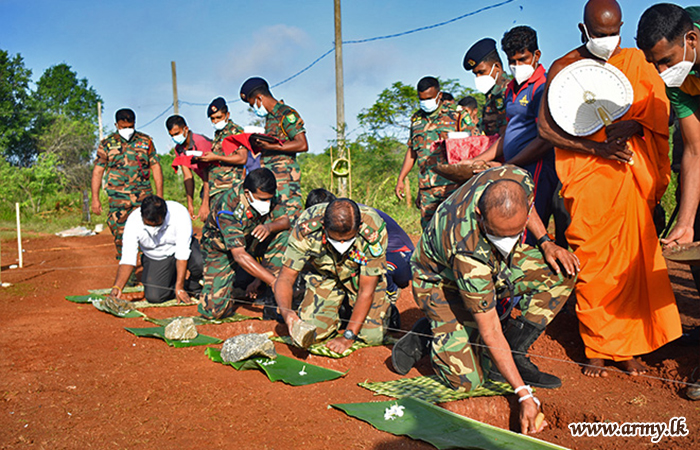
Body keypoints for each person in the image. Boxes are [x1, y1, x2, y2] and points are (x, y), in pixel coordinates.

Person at [538, 0, 681, 378]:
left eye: (614, 32)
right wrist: (596, 148)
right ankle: (598, 347)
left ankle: (629, 348)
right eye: (600, 35)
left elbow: (660, 112)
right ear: (583, 30)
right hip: (588, 183)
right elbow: (545, 130)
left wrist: (636, 125)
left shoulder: (637, 61)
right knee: (595, 265)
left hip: (628, 178)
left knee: (631, 264)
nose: (609, 41)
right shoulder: (564, 67)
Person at [394, 165, 578, 434]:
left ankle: (511, 354)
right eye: (498, 234)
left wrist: (546, 241)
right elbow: (490, 329)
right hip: (440, 283)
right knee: (467, 381)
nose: (507, 242)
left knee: (562, 271)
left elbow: (528, 206)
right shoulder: (466, 248)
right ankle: (427, 334)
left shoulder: (518, 178)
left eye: (513, 234)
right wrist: (524, 395)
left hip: (489, 262)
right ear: (480, 214)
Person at [637, 3, 700, 400]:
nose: (661, 73)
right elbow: (694, 150)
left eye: (666, 61)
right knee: (691, 241)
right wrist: (688, 220)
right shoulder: (676, 79)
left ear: (691, 39)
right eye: (653, 64)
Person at [470, 26, 563, 247]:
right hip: (518, 168)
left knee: (529, 229)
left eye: (523, 59)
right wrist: (479, 160)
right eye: (512, 61)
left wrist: (509, 164)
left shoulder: (543, 87)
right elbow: (508, 134)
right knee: (514, 227)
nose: (517, 66)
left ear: (536, 55)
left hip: (538, 167)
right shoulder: (512, 88)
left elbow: (545, 139)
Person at [274, 198, 390, 354]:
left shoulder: (373, 231)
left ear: (359, 227)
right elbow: (286, 277)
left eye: (348, 239)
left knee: (372, 337)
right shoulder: (305, 228)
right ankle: (340, 310)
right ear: (324, 227)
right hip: (324, 276)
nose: (342, 245)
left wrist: (348, 336)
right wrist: (287, 312)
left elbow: (366, 290)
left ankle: (388, 310)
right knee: (312, 334)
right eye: (336, 239)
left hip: (358, 277)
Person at [305, 188, 414, 327]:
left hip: (399, 256)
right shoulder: (342, 216)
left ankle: (388, 299)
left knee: (358, 266)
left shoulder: (352, 217)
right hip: (384, 254)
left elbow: (368, 257)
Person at [198, 168, 290, 319]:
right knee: (214, 312)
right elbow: (239, 255)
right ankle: (226, 287)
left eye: (269, 199)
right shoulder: (228, 206)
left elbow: (285, 221)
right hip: (221, 250)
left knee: (283, 236)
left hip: (252, 239)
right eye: (262, 199)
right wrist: (274, 282)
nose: (267, 203)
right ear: (247, 193)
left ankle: (271, 299)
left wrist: (269, 227)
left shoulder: (268, 192)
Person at [395, 76, 472, 230]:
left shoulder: (457, 116)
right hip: (427, 188)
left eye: (429, 98)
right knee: (429, 232)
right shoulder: (416, 119)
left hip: (452, 185)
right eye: (422, 99)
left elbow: (472, 146)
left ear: (439, 95)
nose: (425, 102)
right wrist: (401, 179)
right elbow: (412, 151)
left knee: (455, 229)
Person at [91, 108, 163, 260]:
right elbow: (98, 171)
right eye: (124, 127)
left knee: (149, 233)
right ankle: (128, 275)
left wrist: (159, 195)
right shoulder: (107, 144)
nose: (128, 130)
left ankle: (150, 271)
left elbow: (155, 166)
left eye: (130, 126)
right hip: (118, 199)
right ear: (117, 125)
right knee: (120, 236)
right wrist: (95, 198)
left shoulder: (146, 141)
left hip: (144, 198)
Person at [108, 196, 202, 304]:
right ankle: (173, 283)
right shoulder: (133, 221)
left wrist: (179, 286)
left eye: (157, 224)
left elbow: (182, 252)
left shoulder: (179, 213)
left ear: (164, 215)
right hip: (156, 256)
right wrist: (118, 287)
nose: (153, 229)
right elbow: (128, 258)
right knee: (155, 297)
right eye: (148, 224)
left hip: (179, 248)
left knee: (200, 263)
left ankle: (194, 287)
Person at [240, 77, 308, 222]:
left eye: (253, 105)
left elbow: (302, 144)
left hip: (286, 179)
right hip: (272, 179)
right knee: (276, 220)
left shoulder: (286, 114)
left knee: (291, 219)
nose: (254, 109)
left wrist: (272, 146)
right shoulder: (270, 118)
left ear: (259, 98)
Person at [195, 97, 248, 215]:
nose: (215, 121)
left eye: (219, 117)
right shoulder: (218, 135)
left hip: (230, 188)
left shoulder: (235, 131)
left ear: (227, 115)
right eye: (212, 119)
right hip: (216, 189)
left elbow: (242, 158)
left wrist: (217, 157)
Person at [166, 114, 213, 221]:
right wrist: (190, 204)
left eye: (177, 133)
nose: (175, 138)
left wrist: (205, 203)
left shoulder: (201, 142)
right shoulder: (179, 149)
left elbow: (208, 174)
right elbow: (187, 176)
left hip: (218, 180)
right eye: (172, 135)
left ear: (185, 129)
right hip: (207, 183)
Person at [463, 38, 509, 137]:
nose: (478, 77)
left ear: (497, 67)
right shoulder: (491, 95)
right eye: (475, 74)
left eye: (481, 72)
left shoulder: (508, 90)